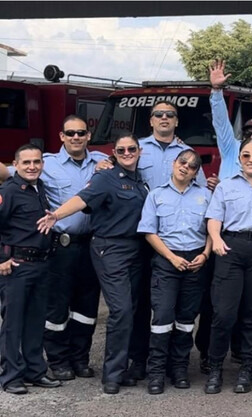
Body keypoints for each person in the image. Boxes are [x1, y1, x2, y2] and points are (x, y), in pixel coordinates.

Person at [37, 133, 149, 395]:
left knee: (132, 309)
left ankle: (124, 366)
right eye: (121, 150)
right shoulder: (106, 177)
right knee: (120, 310)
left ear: (139, 151)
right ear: (115, 153)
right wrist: (57, 215)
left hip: (136, 249)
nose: (127, 153)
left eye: (131, 149)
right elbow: (82, 199)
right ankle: (112, 374)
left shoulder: (140, 179)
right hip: (110, 249)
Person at [204, 135, 252, 394]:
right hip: (231, 248)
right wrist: (215, 238)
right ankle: (215, 368)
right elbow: (214, 217)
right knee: (224, 314)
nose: (251, 160)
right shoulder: (226, 186)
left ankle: (246, 369)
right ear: (239, 159)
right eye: (246, 155)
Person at [137, 150, 212, 394]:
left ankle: (179, 369)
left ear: (196, 172)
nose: (185, 168)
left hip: (195, 261)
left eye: (192, 166)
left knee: (186, 319)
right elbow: (149, 232)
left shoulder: (206, 195)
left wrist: (205, 254)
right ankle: (156, 372)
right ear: (173, 163)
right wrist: (171, 257)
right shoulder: (156, 195)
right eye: (182, 162)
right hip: (167, 260)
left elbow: (213, 230)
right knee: (162, 318)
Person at [40, 116, 107, 381]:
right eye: (71, 133)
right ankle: (58, 361)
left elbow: (136, 156)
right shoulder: (46, 164)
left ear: (88, 136)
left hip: (91, 246)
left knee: (87, 309)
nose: (76, 137)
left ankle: (81, 359)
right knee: (57, 308)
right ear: (61, 136)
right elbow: (12, 171)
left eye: (81, 132)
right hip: (61, 247)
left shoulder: (102, 161)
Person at [0, 145, 62, 394]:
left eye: (36, 162)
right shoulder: (8, 191)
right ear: (15, 164)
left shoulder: (40, 188)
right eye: (26, 162)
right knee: (13, 324)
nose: (32, 166)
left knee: (36, 322)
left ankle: (35, 371)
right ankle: (11, 376)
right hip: (16, 268)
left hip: (41, 264)